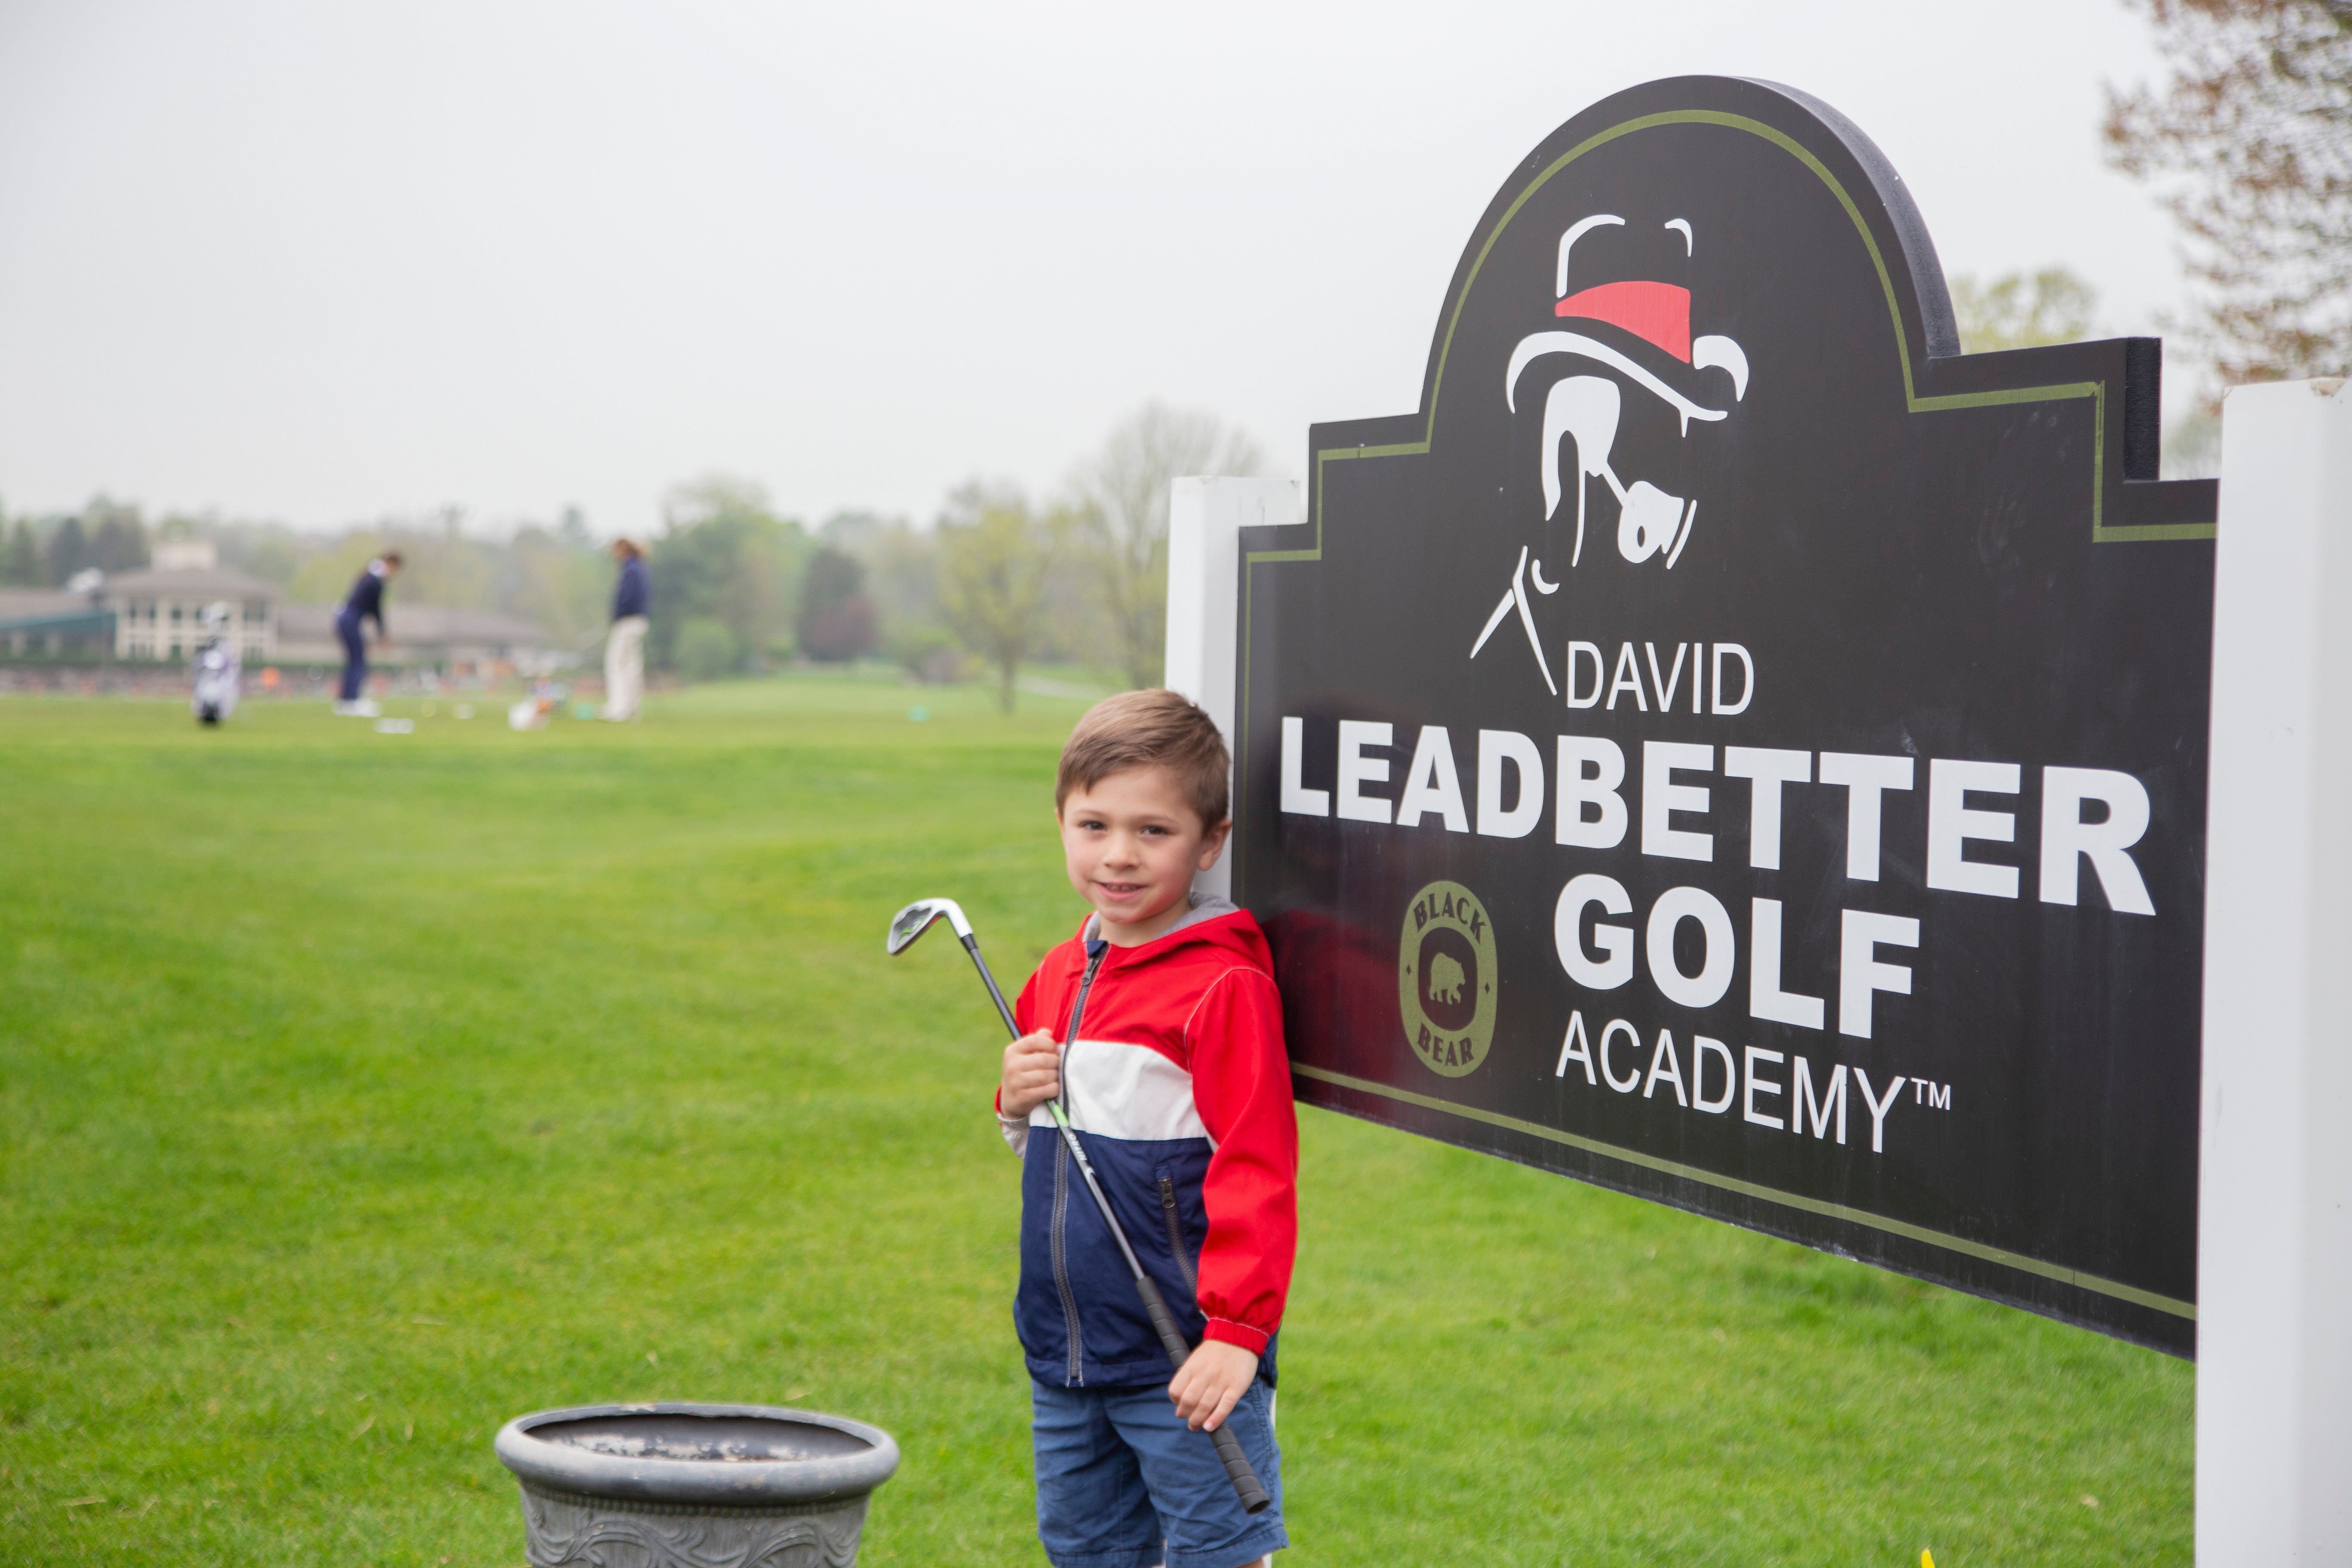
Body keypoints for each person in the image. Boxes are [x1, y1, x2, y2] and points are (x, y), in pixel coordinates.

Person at [995, 689, 1296, 1568]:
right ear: (1060, 823)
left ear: (1210, 842)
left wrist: (1237, 1335)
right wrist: (1013, 1098)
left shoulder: (1222, 987)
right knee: (1086, 1552)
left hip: (1185, 1356)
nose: (1118, 856)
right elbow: (1052, 1146)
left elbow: (1258, 1170)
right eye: (1094, 826)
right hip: (1067, 1353)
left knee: (1215, 1554)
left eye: (1153, 832)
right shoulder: (1058, 973)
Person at [332, 551, 401, 717]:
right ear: (391, 564)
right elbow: (376, 610)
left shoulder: (369, 576)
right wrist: (383, 635)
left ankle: (346, 700)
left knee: (354, 660)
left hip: (344, 619)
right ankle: (351, 702)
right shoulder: (376, 582)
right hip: (349, 620)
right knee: (358, 660)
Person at [603, 539, 649, 721]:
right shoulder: (639, 568)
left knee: (617, 663)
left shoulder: (631, 570)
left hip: (628, 622)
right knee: (632, 666)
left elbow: (626, 599)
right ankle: (631, 709)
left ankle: (619, 708)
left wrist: (617, 615)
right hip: (639, 621)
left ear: (623, 550)